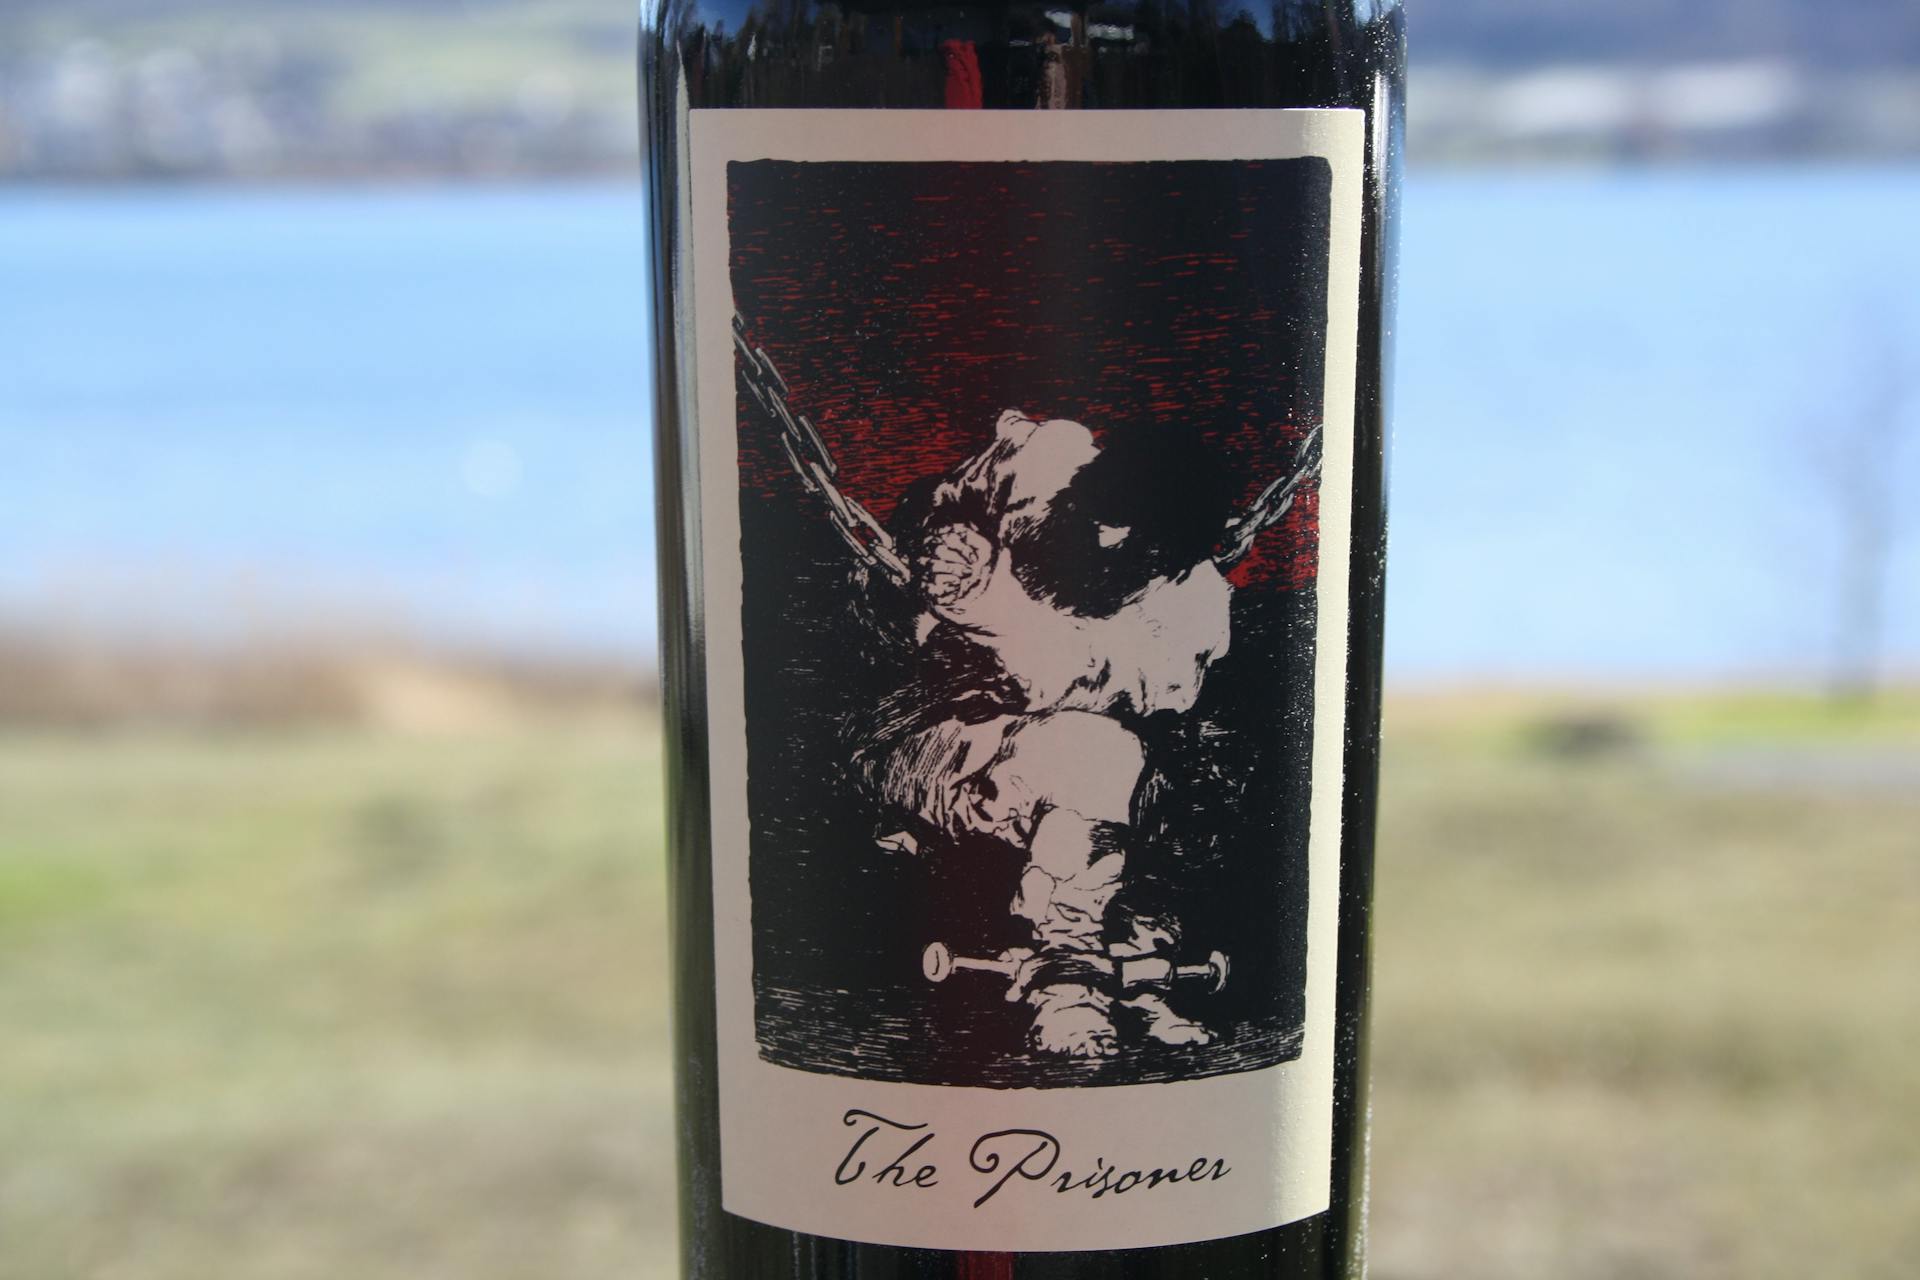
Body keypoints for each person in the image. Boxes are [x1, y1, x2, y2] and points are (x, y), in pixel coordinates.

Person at [851, 410, 1238, 1057]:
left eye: (1140, 542)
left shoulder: (1191, 609)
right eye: (1099, 515)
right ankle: (1068, 980)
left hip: (1061, 757)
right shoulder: (1038, 463)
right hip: (930, 742)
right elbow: (922, 524)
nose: (1109, 540)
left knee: (1162, 766)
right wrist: (941, 555)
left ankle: (1138, 964)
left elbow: (1126, 703)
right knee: (1097, 753)